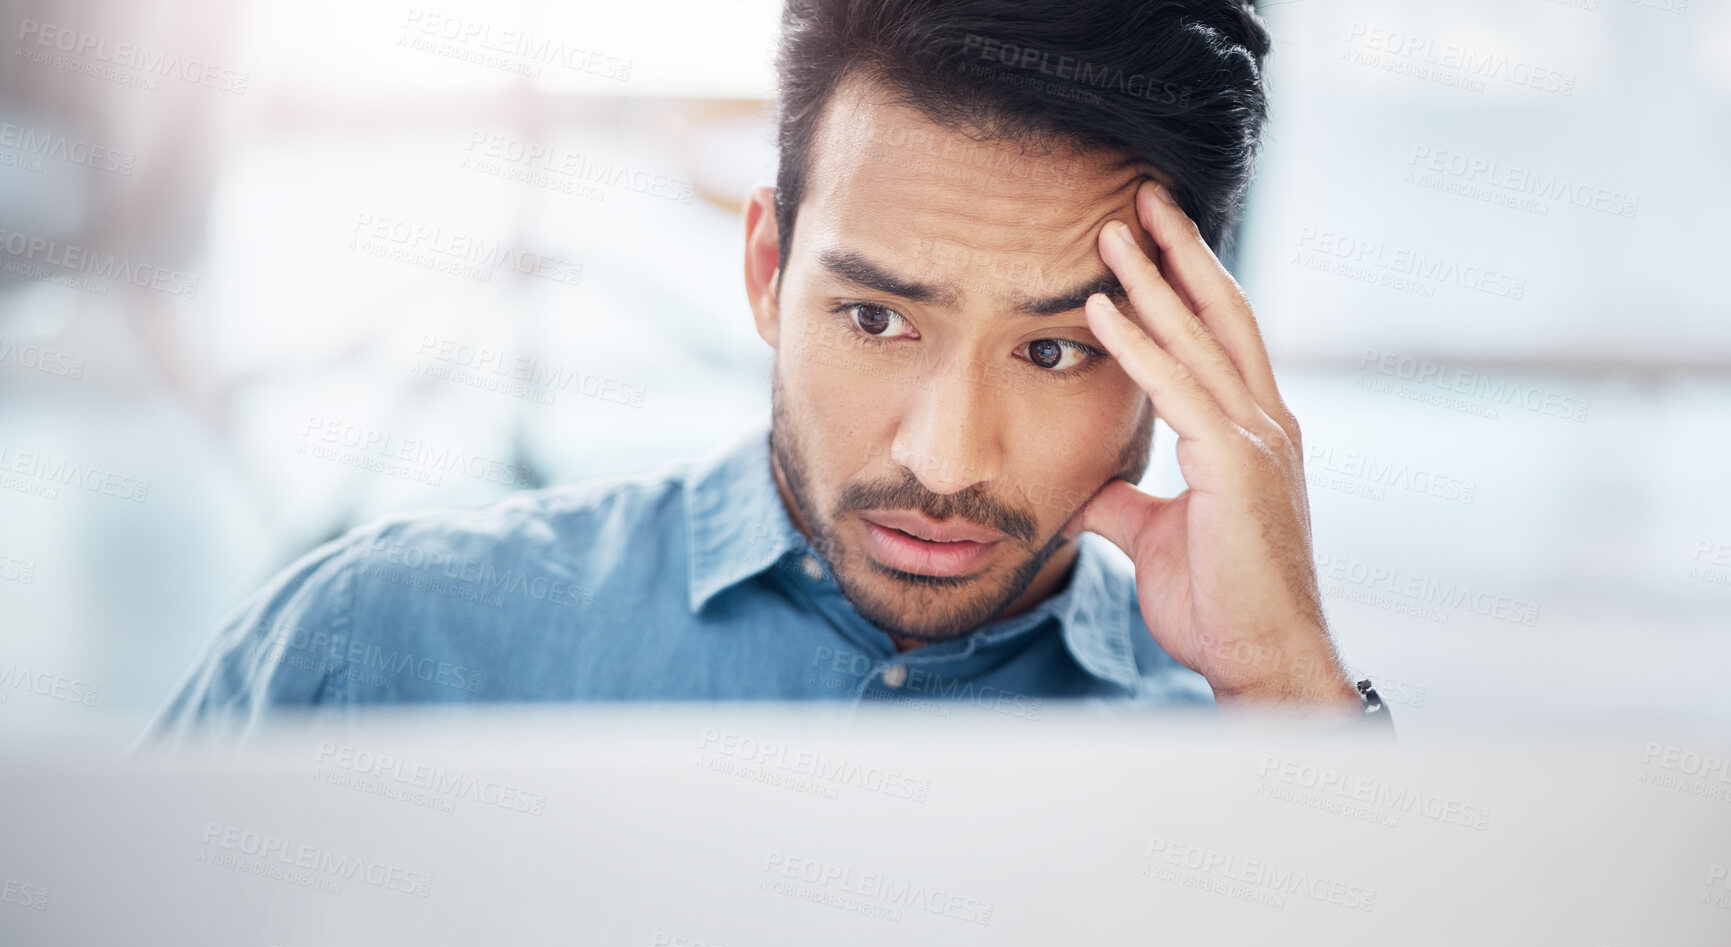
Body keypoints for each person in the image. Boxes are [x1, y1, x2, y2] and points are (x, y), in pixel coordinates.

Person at [145, 0, 1391, 740]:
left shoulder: (1259, 747)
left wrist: (1284, 686)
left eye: (1055, 349)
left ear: (1189, 338)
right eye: (875, 320)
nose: (943, 461)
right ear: (765, 271)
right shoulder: (380, 652)